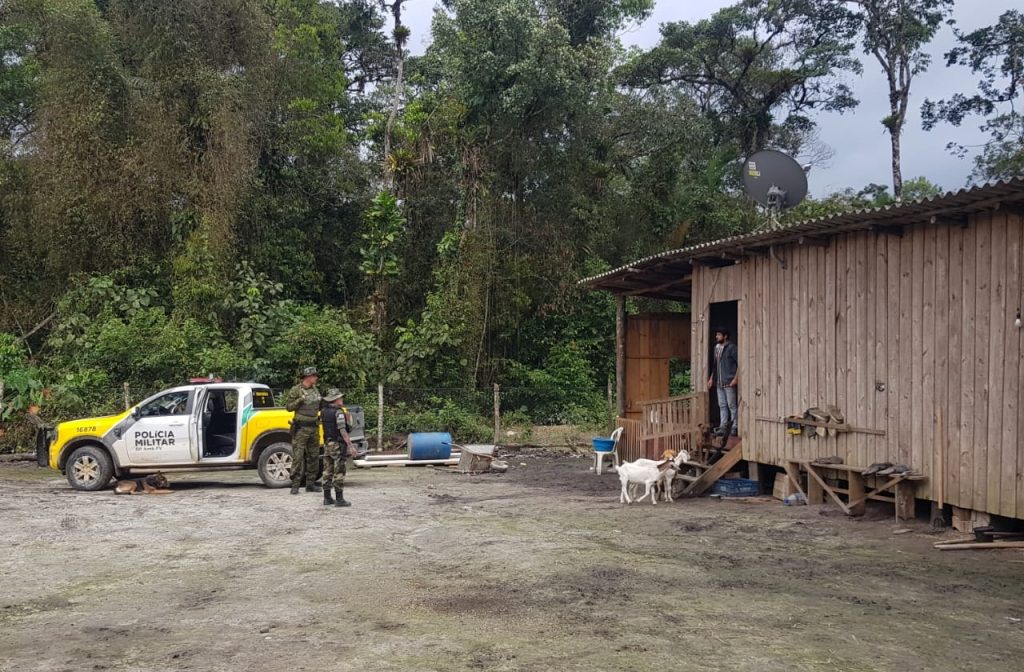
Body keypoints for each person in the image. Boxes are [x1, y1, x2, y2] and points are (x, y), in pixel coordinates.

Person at [282, 366, 322, 495]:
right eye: (314, 376)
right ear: (308, 377)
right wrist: (300, 400)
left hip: (313, 427)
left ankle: (310, 483)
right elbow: (288, 407)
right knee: (298, 457)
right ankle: (295, 484)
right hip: (301, 428)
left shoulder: (315, 390)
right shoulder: (296, 390)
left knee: (314, 456)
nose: (316, 378)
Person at [320, 389, 354, 507]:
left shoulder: (323, 411)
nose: (342, 399)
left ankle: (327, 497)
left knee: (327, 470)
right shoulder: (339, 412)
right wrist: (350, 445)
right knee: (339, 471)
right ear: (335, 400)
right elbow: (342, 430)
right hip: (337, 444)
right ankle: (339, 499)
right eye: (340, 398)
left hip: (327, 444)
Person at [706, 327, 738, 437]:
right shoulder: (716, 348)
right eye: (716, 335)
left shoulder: (732, 348)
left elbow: (739, 363)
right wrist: (711, 378)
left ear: (725, 336)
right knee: (722, 405)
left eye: (719, 335)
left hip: (729, 381)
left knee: (731, 405)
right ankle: (723, 426)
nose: (716, 337)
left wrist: (735, 378)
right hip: (719, 382)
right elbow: (715, 365)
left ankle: (734, 426)